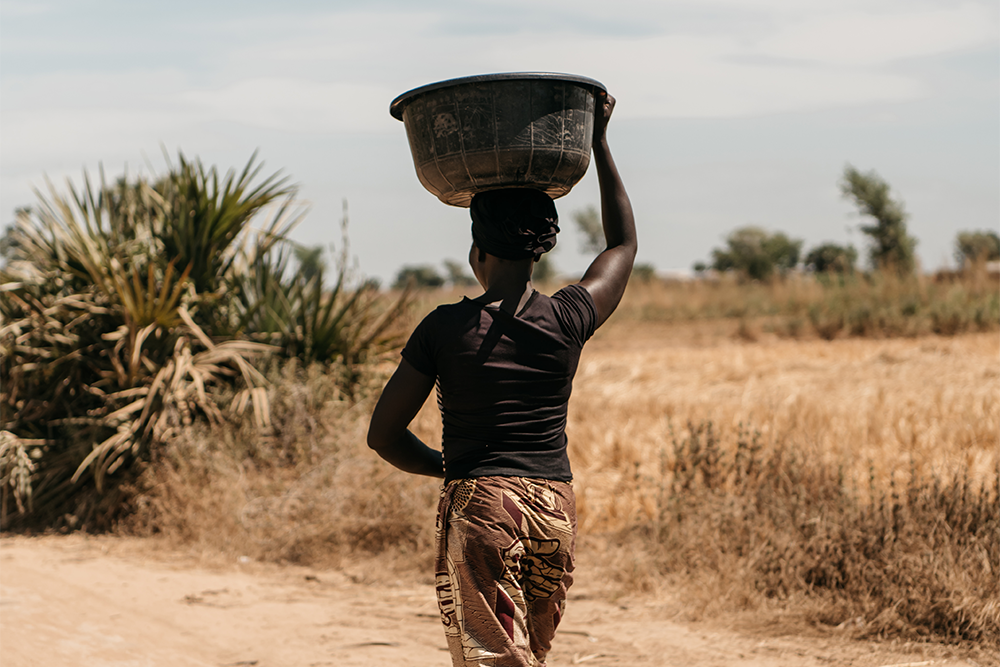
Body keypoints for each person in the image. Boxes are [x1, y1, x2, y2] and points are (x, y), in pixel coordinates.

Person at [367, 91, 636, 667]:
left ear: (477, 248)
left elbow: (383, 435)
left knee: (491, 661)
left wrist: (448, 465)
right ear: (539, 249)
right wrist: (601, 140)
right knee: (527, 657)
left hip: (483, 506)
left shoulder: (444, 329)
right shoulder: (568, 317)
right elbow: (621, 245)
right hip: (553, 509)